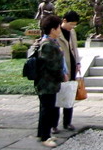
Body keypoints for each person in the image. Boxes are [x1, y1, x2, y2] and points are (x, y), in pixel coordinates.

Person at [35, 15, 67, 148]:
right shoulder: (47, 44)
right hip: (47, 82)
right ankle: (45, 137)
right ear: (53, 29)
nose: (60, 29)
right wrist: (62, 75)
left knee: (47, 108)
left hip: (50, 82)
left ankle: (43, 132)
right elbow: (51, 65)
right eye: (58, 27)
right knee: (47, 109)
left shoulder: (51, 42)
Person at [54, 11, 80, 134]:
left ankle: (67, 122)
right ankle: (54, 124)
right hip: (61, 68)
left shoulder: (72, 32)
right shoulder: (56, 32)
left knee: (69, 95)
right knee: (58, 96)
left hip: (72, 66)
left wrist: (78, 63)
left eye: (74, 25)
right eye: (71, 24)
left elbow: (75, 49)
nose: (72, 27)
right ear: (64, 20)